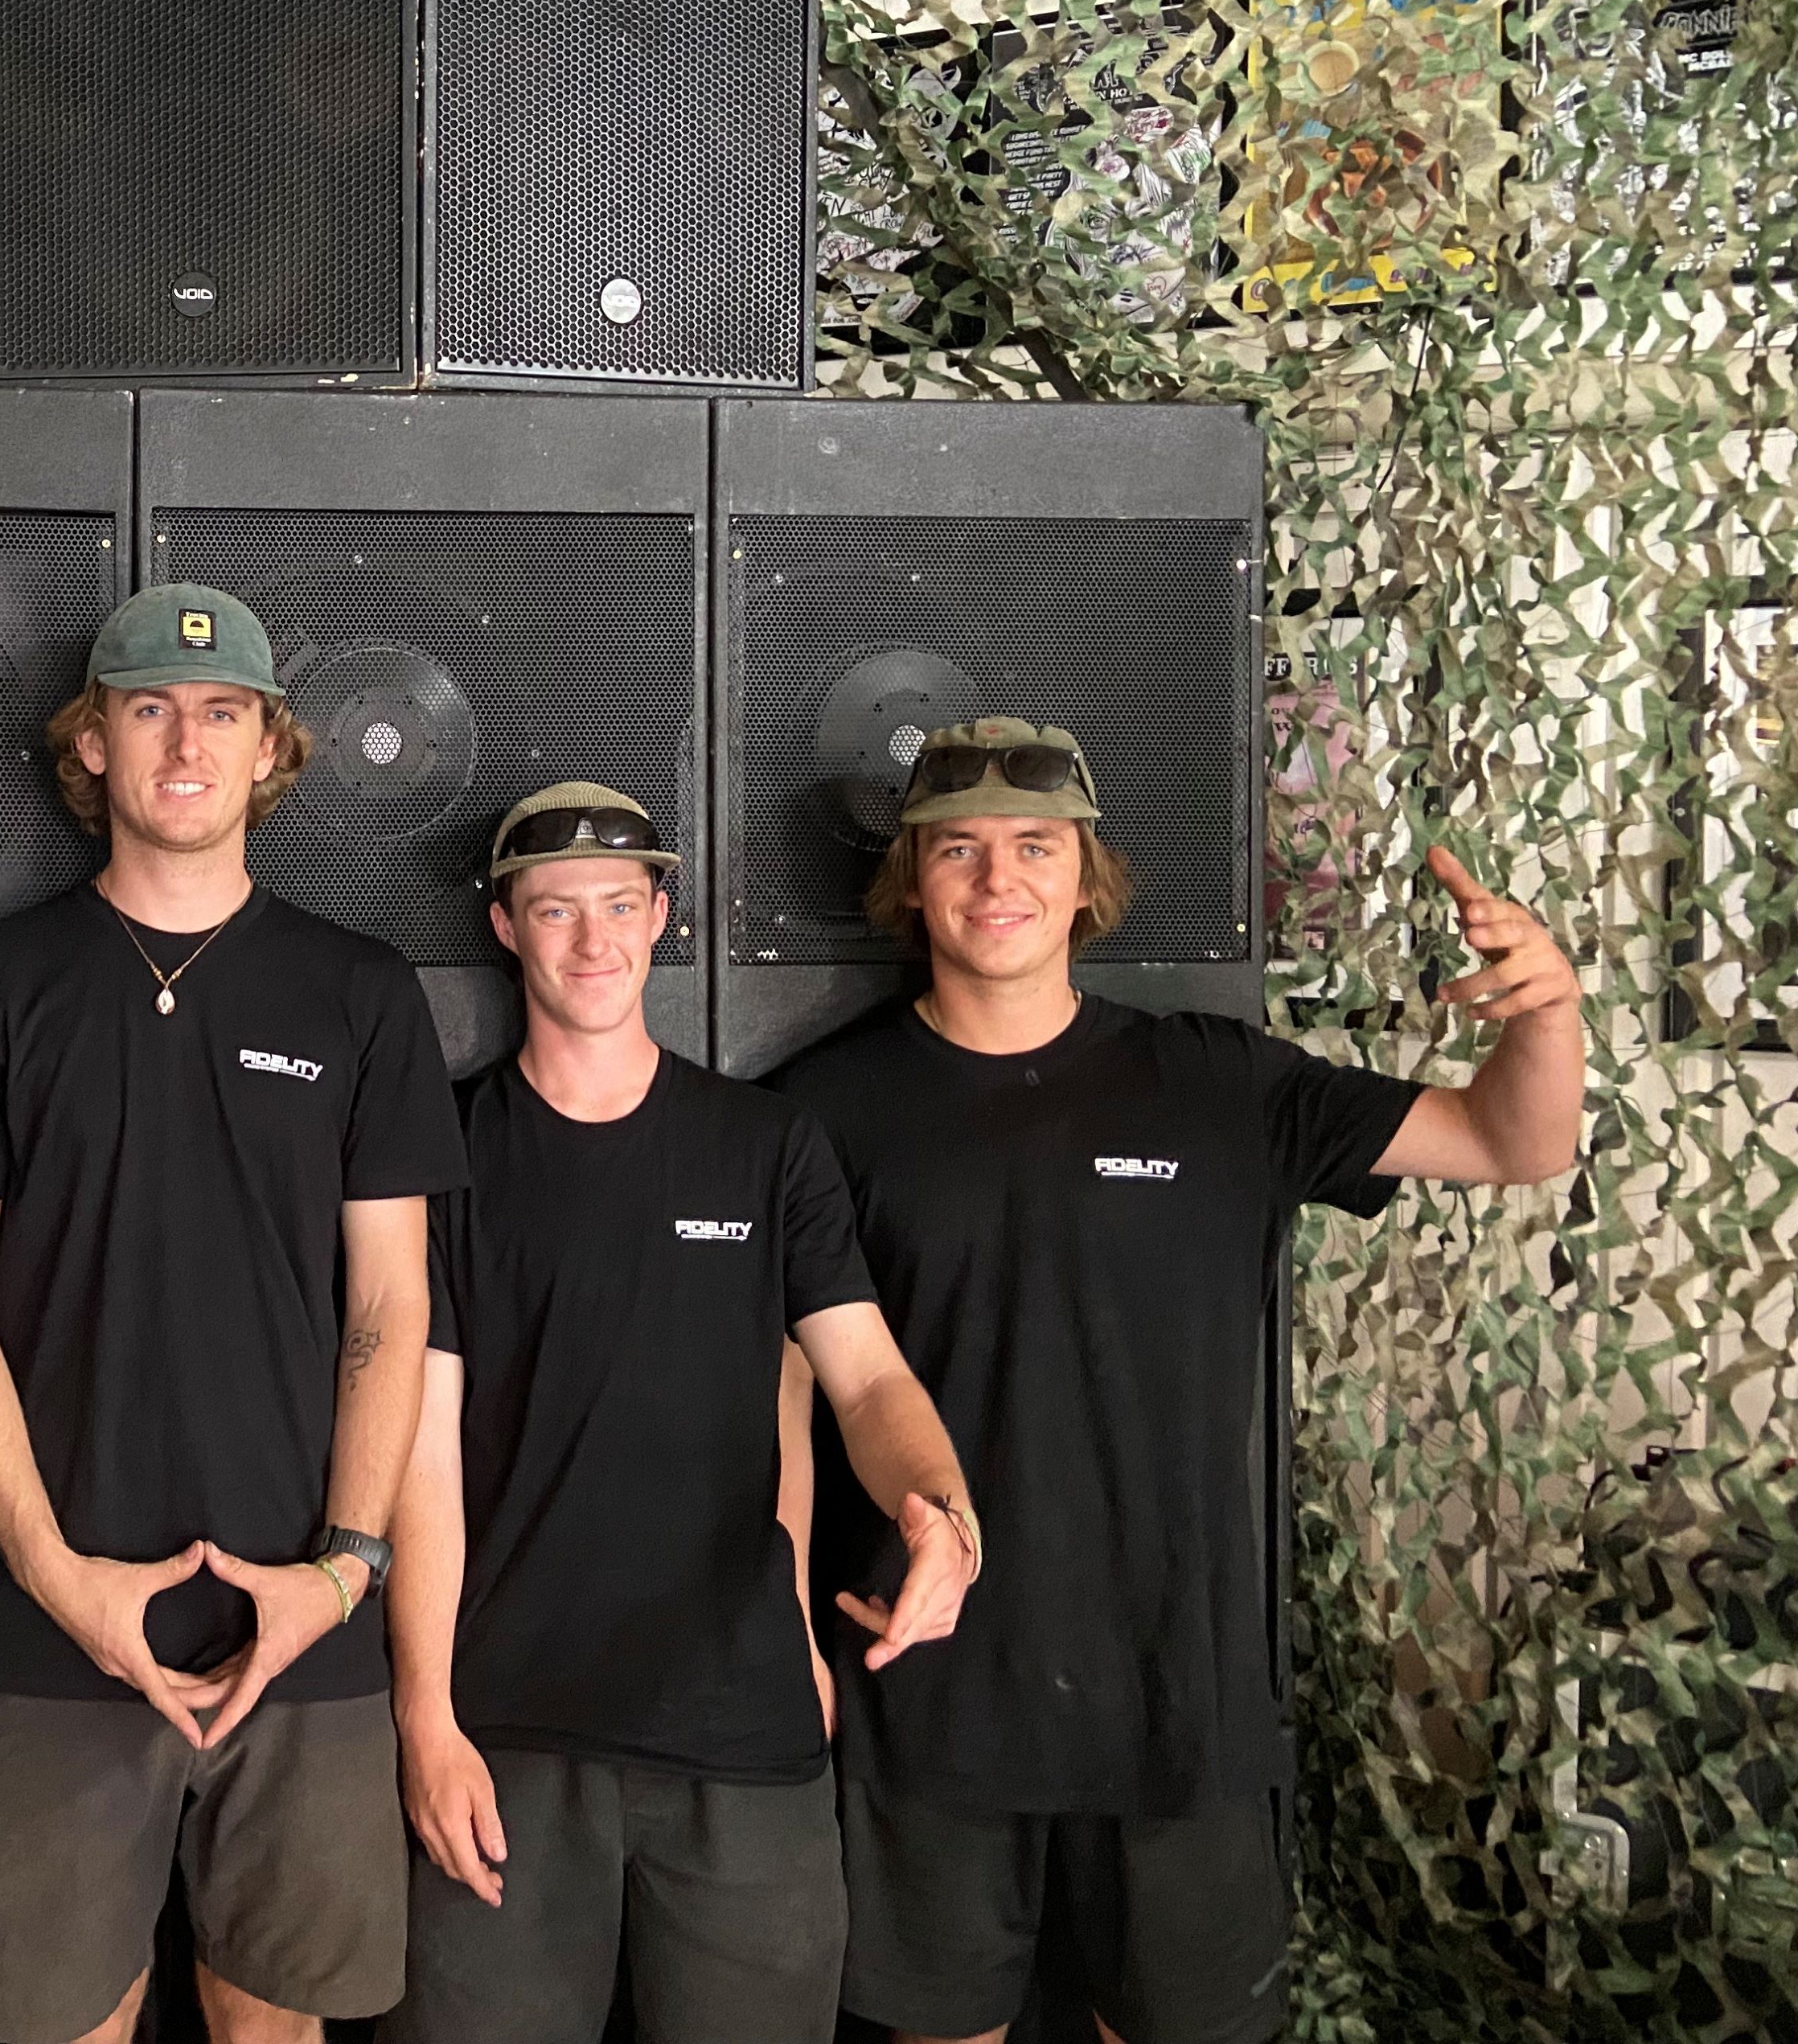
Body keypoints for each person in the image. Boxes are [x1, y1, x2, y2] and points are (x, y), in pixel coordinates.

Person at [767, 715, 1585, 2044]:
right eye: (957, 849)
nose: (997, 878)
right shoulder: (823, 1111)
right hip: (928, 1686)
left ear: (1087, 877)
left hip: (1176, 1693)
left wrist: (1551, 1012)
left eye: (1035, 845)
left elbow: (1514, 1139)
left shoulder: (1219, 1083)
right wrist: (787, 1629)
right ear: (910, 881)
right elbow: (798, 1398)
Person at [0, 584, 470, 2044]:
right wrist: (53, 1572)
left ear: (270, 747)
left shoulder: (360, 992)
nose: (183, 743)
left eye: (221, 714)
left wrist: (342, 1575)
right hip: (48, 1633)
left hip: (302, 1634)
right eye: (146, 707)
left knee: (274, 2025)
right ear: (89, 742)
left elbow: (390, 1308)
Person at [384, 782, 980, 2044]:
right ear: (505, 927)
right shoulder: (442, 1157)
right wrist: (424, 1719)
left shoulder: (766, 1148)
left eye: (618, 906)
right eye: (556, 910)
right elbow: (416, 1456)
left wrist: (942, 1516)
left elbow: (862, 1380)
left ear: (662, 917)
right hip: (508, 1732)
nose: (592, 942)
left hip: (742, 1726)